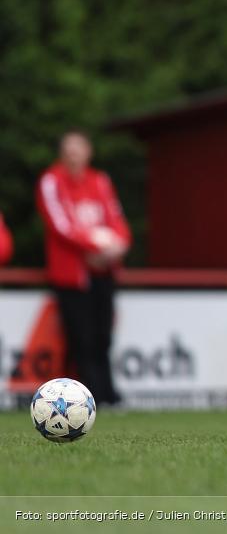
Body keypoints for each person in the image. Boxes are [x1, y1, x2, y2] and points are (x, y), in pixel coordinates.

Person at [36, 131, 131, 406]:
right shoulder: (51, 181)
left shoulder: (100, 181)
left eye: (79, 149)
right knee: (81, 338)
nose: (74, 155)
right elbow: (61, 224)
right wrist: (93, 246)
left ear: (88, 152)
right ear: (62, 153)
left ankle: (109, 397)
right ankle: (86, 399)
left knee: (103, 336)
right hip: (72, 277)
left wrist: (118, 246)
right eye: (69, 150)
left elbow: (117, 220)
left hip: (103, 272)